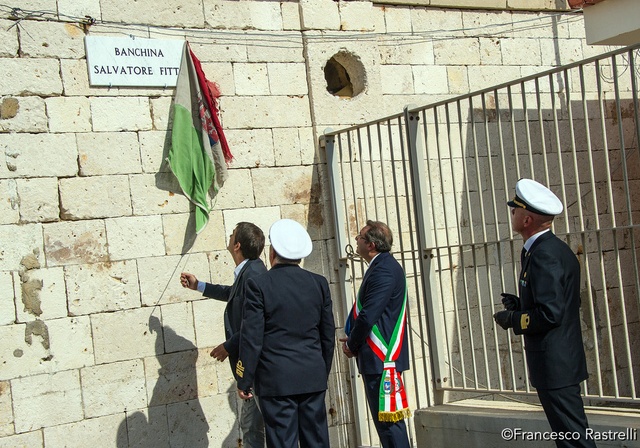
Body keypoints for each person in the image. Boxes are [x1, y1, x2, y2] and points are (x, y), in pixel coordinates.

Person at [493, 178, 596, 448]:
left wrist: (513, 319)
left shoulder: (544, 255)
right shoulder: (545, 250)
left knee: (575, 440)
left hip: (555, 364)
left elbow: (551, 314)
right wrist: (521, 305)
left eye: (515, 210)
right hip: (557, 362)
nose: (512, 213)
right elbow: (558, 301)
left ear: (527, 220)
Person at [235, 219, 335, 448]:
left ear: (272, 252)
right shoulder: (318, 284)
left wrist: (244, 378)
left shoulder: (259, 285)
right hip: (312, 376)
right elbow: (327, 336)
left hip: (276, 380)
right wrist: (320, 371)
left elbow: (252, 338)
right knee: (317, 442)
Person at [180, 222, 267, 448]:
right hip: (251, 369)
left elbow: (255, 324)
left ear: (237, 245)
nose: (228, 237)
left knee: (257, 428)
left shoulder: (254, 274)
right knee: (251, 426)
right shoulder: (250, 271)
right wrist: (199, 286)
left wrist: (228, 346)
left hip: (256, 367)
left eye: (231, 235)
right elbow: (232, 294)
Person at [340, 220, 411, 448]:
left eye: (359, 238)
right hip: (377, 360)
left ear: (370, 244)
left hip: (382, 360)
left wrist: (352, 344)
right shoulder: (381, 266)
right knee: (386, 427)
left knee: (390, 427)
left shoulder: (384, 270)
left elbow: (369, 315)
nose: (356, 241)